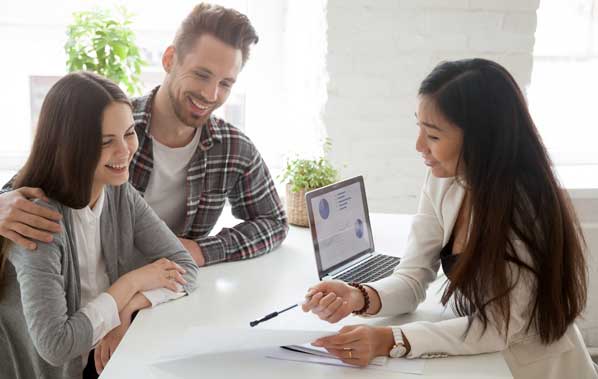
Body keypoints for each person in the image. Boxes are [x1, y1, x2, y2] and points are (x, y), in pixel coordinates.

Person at [301, 58, 596, 378]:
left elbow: (497, 328)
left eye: (434, 136)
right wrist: (359, 296)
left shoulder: (524, 209)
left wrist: (387, 340)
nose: (419, 146)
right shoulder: (444, 180)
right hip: (479, 357)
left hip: (531, 366)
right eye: (419, 128)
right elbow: (412, 278)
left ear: (481, 141)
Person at [0, 3, 288, 268]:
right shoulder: (111, 125)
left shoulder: (232, 149)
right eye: (201, 74)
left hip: (165, 290)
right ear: (169, 59)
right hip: (93, 293)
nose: (211, 94)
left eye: (225, 83)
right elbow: (24, 187)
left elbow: (274, 222)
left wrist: (203, 250)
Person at [0, 72, 200, 379]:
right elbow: (56, 345)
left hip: (100, 357)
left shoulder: (118, 192)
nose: (125, 151)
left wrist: (127, 307)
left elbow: (185, 267)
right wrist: (129, 284)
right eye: (106, 142)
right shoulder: (36, 217)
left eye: (129, 133)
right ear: (70, 145)